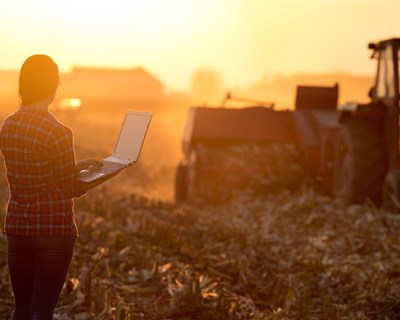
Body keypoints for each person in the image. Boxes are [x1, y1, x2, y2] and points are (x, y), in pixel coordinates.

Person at [0, 54, 102, 319]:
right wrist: (94, 178)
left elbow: (35, 168)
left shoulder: (8, 125)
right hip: (53, 230)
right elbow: (67, 187)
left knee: (21, 308)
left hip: (17, 227)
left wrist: (77, 167)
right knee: (41, 310)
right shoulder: (58, 131)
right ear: (52, 87)